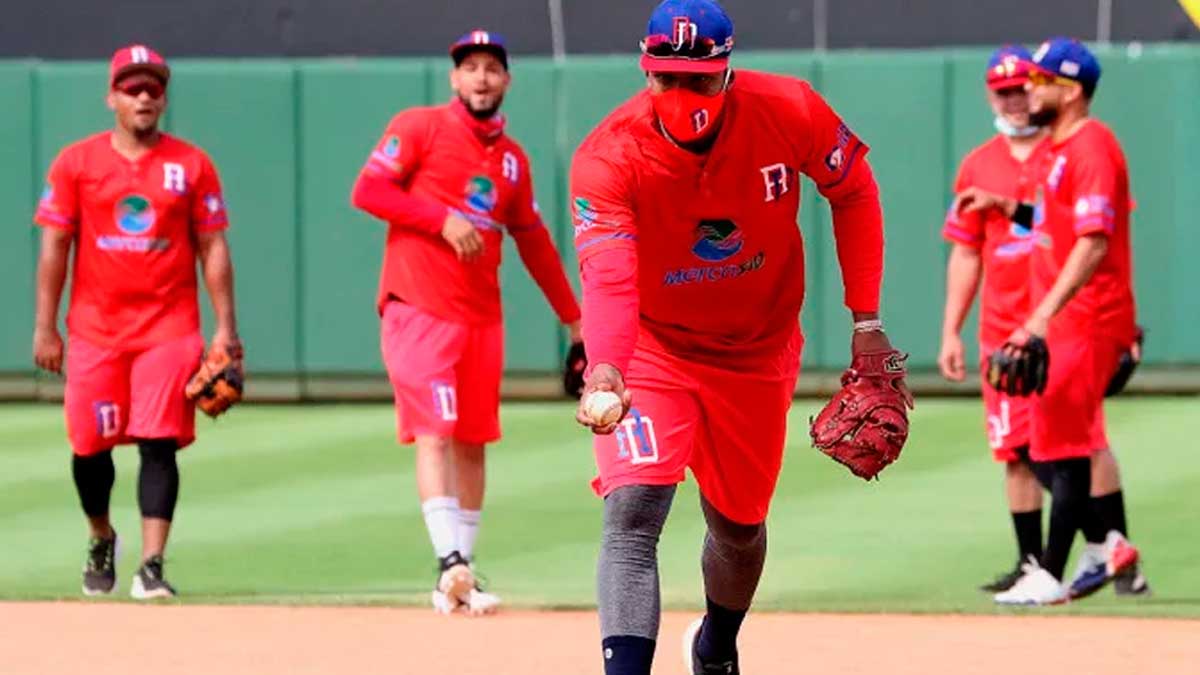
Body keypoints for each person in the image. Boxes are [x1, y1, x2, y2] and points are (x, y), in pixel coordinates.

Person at [571, 1, 906, 672]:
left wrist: (865, 319)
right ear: (647, 72)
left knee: (738, 527)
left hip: (758, 349)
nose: (682, 94)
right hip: (655, 348)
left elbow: (855, 189)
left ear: (727, 73)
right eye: (667, 78)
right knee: (633, 514)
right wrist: (606, 364)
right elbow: (608, 274)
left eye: (699, 80)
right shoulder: (608, 156)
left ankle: (717, 644)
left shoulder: (788, 109)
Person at [350, 29, 583, 616]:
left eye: (492, 68)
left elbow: (534, 242)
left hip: (481, 315)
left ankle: (462, 574)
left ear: (506, 80)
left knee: (474, 441)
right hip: (418, 305)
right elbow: (369, 189)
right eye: (470, 67)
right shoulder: (420, 126)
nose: (481, 77)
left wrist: (575, 320)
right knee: (436, 430)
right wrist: (439, 219)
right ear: (454, 78)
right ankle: (449, 560)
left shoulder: (512, 160)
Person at [32, 44, 240, 599]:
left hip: (168, 329)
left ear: (164, 97)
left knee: (158, 442)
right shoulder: (76, 163)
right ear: (112, 97)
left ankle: (152, 563)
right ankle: (101, 534)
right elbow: (55, 245)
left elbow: (212, 247)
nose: (144, 95)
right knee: (89, 448)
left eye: (153, 87)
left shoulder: (192, 164)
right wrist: (45, 326)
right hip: (96, 329)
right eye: (132, 87)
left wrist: (225, 328)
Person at [955, 38, 1144, 605]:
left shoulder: (1091, 145)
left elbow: (1091, 242)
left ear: (1071, 89)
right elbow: (1057, 222)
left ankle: (1051, 572)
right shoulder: (1062, 150)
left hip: (1086, 316)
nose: (1028, 90)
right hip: (1066, 318)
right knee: (1050, 444)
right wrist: (1008, 206)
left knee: (1059, 448)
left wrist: (1037, 318)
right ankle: (1102, 548)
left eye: (1039, 80)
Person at [938, 45, 1048, 593]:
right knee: (1016, 450)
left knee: (1068, 445)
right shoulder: (979, 163)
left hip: (1060, 324)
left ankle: (1105, 549)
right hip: (1001, 328)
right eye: (1005, 90)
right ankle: (1033, 563)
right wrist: (951, 329)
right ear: (990, 94)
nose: (1017, 99)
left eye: (1024, 87)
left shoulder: (1063, 153)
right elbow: (966, 252)